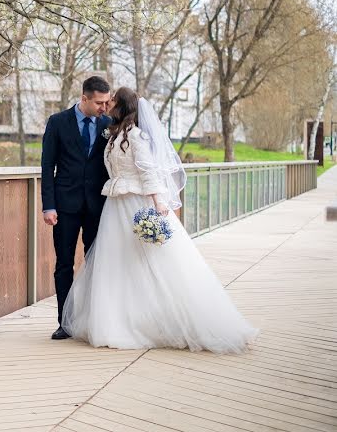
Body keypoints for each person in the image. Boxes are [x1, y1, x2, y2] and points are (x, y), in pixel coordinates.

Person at [61, 87, 258, 353]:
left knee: (148, 262)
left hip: (135, 204)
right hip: (114, 206)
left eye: (113, 101)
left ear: (122, 105)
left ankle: (169, 320)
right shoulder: (115, 134)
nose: (107, 105)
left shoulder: (138, 137)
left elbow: (148, 171)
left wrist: (158, 203)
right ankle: (117, 320)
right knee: (117, 265)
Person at [41, 76, 112, 340]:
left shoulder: (108, 125)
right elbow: (47, 166)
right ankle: (65, 323)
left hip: (98, 206)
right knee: (64, 264)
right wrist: (48, 206)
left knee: (96, 263)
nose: (105, 107)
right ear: (84, 99)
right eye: (99, 102)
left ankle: (93, 319)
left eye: (107, 102)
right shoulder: (58, 122)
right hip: (65, 206)